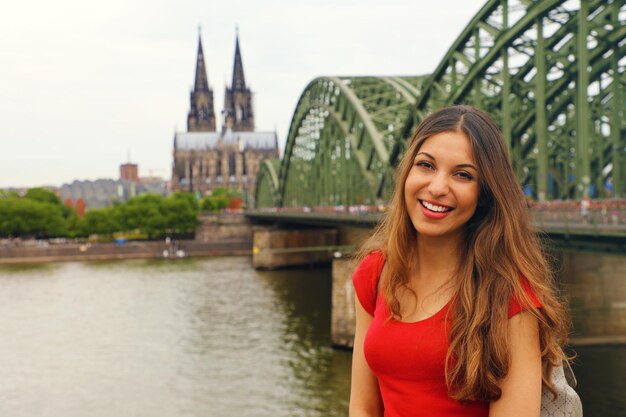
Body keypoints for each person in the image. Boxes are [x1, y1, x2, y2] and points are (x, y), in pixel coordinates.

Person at [349, 105, 571, 417]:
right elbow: (362, 407)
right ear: (406, 174)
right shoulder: (374, 272)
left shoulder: (510, 297)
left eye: (463, 175)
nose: (437, 188)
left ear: (485, 194)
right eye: (426, 165)